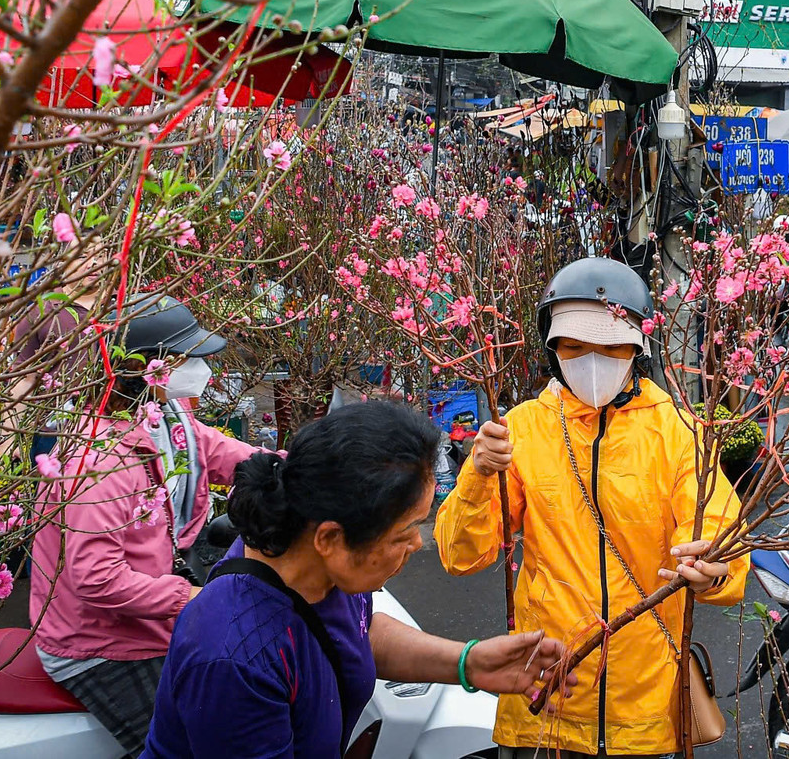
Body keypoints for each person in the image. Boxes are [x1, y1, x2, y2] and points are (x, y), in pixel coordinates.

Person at [436, 257, 750, 759]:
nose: (593, 358)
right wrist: (477, 474)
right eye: (575, 345)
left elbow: (722, 537)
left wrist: (714, 569)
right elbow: (460, 555)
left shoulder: (677, 434)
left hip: (642, 707)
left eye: (610, 345)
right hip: (546, 699)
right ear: (551, 347)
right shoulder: (521, 430)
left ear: (638, 348)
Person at [143, 401, 570, 757]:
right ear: (331, 537)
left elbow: (354, 635)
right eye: (404, 534)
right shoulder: (232, 657)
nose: (416, 546)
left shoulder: (303, 561)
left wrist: (470, 662)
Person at [29, 295, 265, 757]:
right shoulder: (98, 464)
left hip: (150, 618)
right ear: (149, 370)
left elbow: (227, 455)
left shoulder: (169, 421)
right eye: (188, 357)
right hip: (101, 642)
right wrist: (195, 600)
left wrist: (309, 469)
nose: (200, 368)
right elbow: (98, 580)